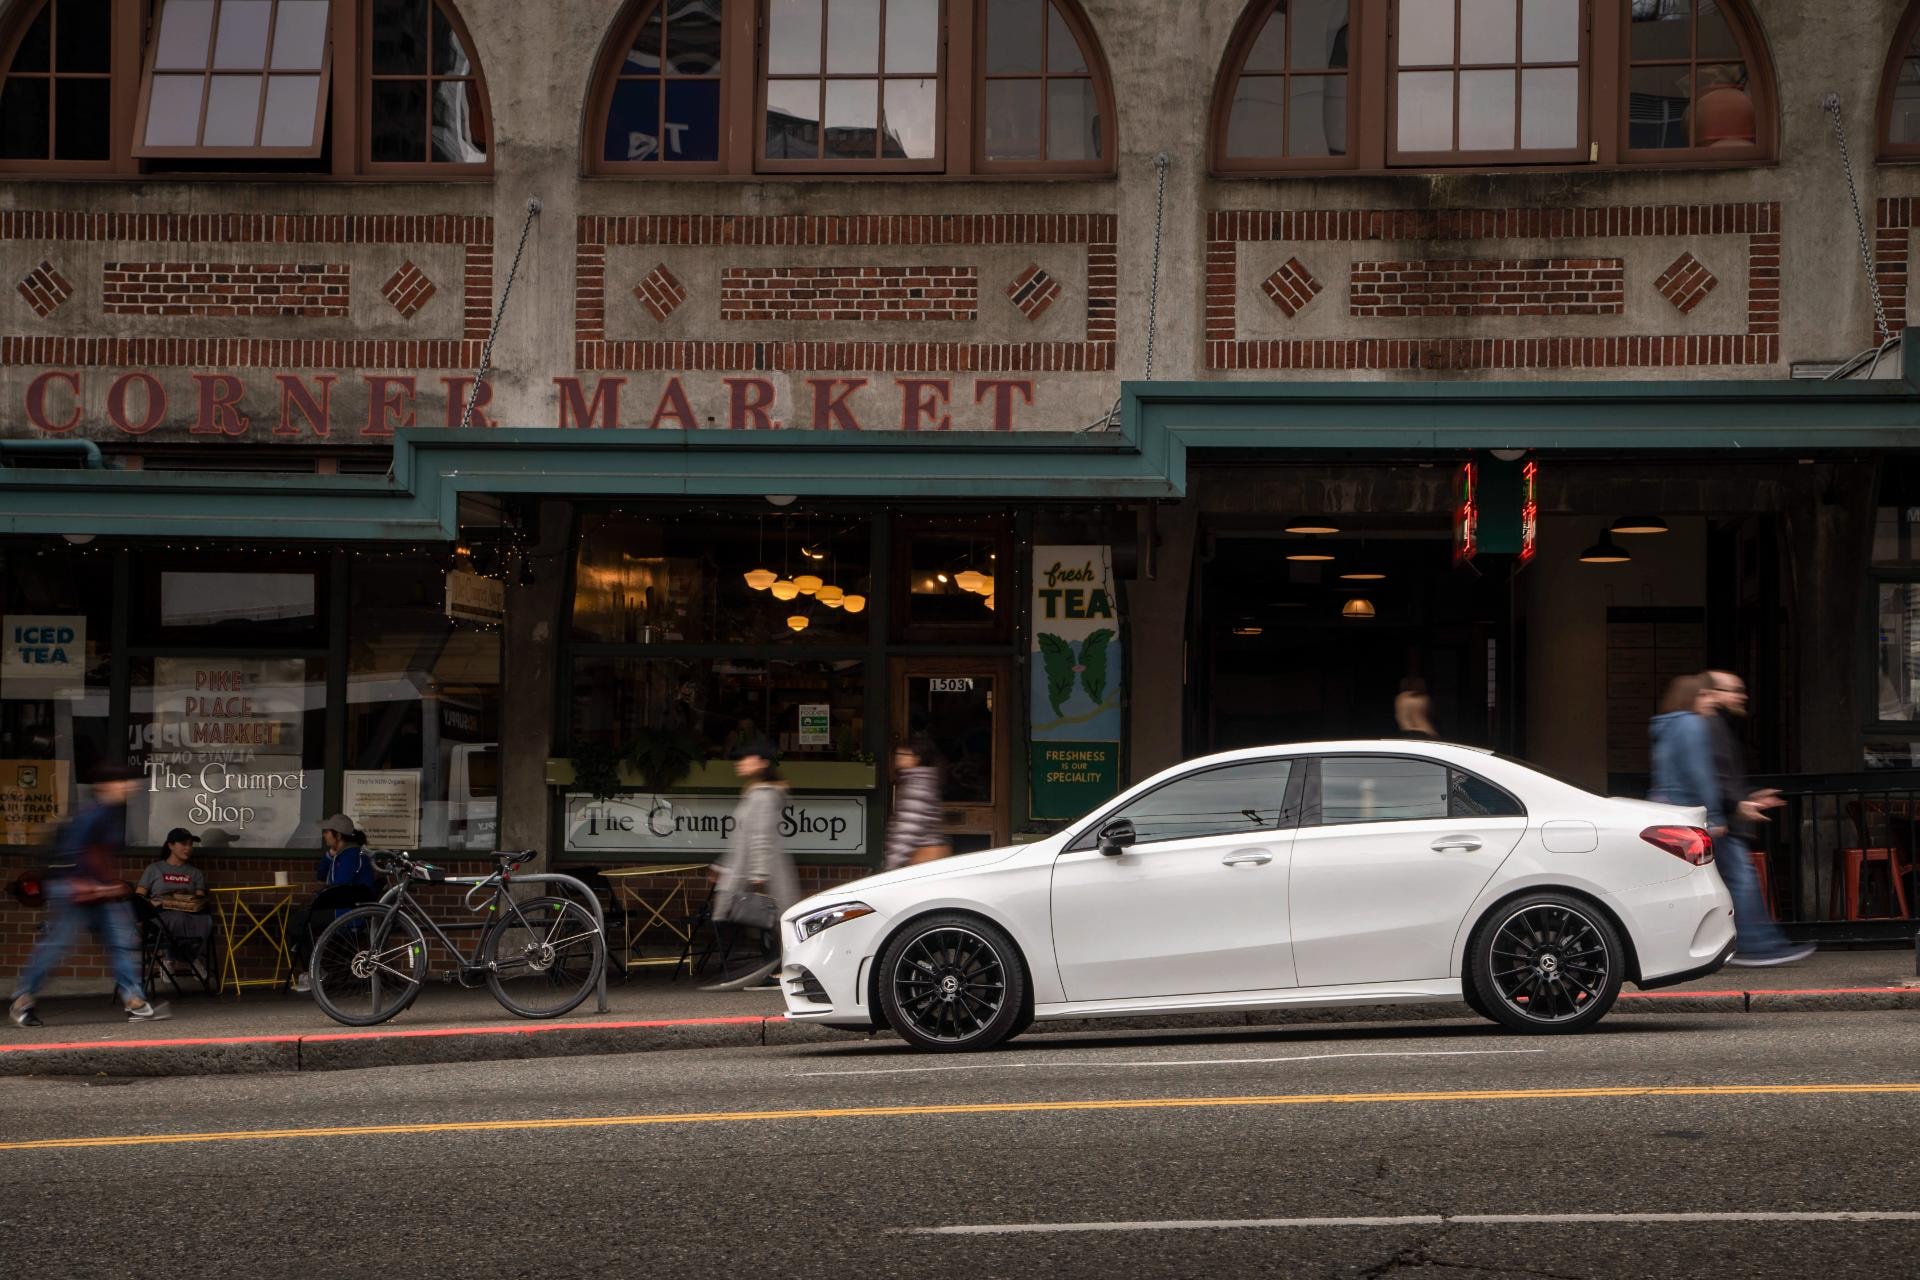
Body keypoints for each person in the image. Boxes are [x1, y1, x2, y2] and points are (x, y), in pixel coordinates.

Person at [10, 763, 171, 1027]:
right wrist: (92, 886)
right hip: (75, 889)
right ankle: (22, 1000)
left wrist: (105, 886)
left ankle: (135, 1001)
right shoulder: (91, 815)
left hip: (98, 890)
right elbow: (72, 853)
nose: (130, 786)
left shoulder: (109, 814)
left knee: (120, 941)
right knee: (56, 947)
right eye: (123, 781)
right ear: (105, 786)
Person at [1701, 670, 1815, 967]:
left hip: (1724, 819)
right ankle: (1758, 946)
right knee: (1742, 881)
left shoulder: (1716, 726)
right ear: (1714, 693)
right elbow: (1713, 776)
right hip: (1721, 822)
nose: (1742, 696)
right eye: (1734, 690)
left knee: (1738, 881)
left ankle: (1753, 944)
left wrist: (1750, 796)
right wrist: (1739, 803)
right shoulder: (1709, 727)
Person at [701, 739, 800, 993]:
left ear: (761, 763)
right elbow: (743, 837)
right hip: (747, 868)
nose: (740, 763)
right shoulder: (756, 792)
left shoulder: (764, 795)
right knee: (758, 918)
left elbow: (761, 837)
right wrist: (723, 867)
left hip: (763, 870)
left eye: (747, 758)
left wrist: (758, 874)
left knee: (766, 917)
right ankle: (762, 971)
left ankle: (771, 972)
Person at [289, 813, 379, 993]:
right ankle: (312, 966)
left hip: (346, 911)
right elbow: (321, 875)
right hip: (339, 906)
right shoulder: (342, 853)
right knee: (297, 918)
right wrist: (330, 855)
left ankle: (313, 971)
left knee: (297, 922)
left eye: (327, 832)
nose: (324, 835)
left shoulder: (351, 855)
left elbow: (340, 886)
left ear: (337, 835)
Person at [136, 827, 214, 972]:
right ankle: (170, 958)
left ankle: (192, 957)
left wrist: (190, 900)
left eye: (190, 844)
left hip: (189, 911)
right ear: (171, 845)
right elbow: (139, 897)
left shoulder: (195, 873)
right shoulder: (154, 869)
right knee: (177, 918)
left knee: (206, 921)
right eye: (184, 844)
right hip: (160, 913)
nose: (188, 848)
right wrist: (153, 903)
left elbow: (200, 898)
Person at [1648, 674, 1716, 811]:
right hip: (1686, 804)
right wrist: (1714, 813)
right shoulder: (1691, 723)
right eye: (1703, 695)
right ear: (1690, 697)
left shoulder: (1666, 725)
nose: (1711, 701)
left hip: (1661, 802)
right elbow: (1698, 772)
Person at [884, 736, 949, 871]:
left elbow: (908, 828)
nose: (898, 757)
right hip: (926, 857)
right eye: (898, 753)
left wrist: (891, 865)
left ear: (916, 758)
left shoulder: (916, 786)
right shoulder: (922, 781)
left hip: (921, 858)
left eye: (903, 754)